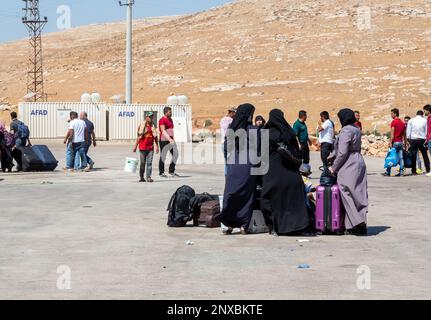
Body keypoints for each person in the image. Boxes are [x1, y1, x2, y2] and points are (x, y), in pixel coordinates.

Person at [261, 109, 311, 236]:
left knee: (267, 196)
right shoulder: (289, 132)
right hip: (291, 174)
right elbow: (297, 153)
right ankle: (297, 226)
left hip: (272, 173)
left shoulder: (265, 133)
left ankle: (273, 227)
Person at [215, 103, 257, 235]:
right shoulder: (254, 130)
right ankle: (244, 225)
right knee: (247, 196)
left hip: (233, 166)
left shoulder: (231, 130)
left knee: (230, 193)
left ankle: (228, 224)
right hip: (249, 166)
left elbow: (227, 148)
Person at [329, 109, 368, 235]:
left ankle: (357, 222)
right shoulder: (356, 128)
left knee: (345, 191)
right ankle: (356, 223)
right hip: (359, 161)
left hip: (349, 163)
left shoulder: (346, 130)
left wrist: (333, 167)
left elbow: (343, 152)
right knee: (358, 193)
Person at [133, 113, 159, 182]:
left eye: (152, 117)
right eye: (150, 117)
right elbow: (139, 137)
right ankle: (141, 177)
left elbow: (155, 137)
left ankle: (148, 177)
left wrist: (157, 146)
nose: (151, 118)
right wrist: (135, 146)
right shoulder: (142, 126)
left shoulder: (153, 126)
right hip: (142, 148)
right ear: (146, 117)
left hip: (150, 148)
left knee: (149, 163)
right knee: (142, 164)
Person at [406, 110, 430, 176]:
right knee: (425, 155)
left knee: (413, 155)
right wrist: (426, 139)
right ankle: (428, 169)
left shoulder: (411, 120)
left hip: (413, 140)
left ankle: (413, 170)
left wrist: (408, 140)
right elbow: (426, 130)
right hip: (422, 140)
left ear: (416, 114)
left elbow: (408, 131)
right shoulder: (425, 120)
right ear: (422, 115)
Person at [384, 108, 406, 177]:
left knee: (390, 156)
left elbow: (392, 134)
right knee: (401, 157)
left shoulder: (394, 122)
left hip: (395, 142)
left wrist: (390, 142)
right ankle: (402, 172)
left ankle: (388, 172)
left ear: (395, 114)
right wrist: (405, 143)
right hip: (400, 143)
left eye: (392, 113)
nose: (391, 115)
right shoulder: (402, 123)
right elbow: (405, 135)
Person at [159, 107, 179, 178]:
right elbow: (163, 131)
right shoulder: (162, 120)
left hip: (171, 140)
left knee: (175, 154)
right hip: (164, 140)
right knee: (163, 156)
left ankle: (171, 171)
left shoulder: (170, 119)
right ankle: (161, 172)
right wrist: (169, 139)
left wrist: (173, 139)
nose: (171, 113)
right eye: (170, 112)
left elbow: (171, 130)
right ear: (166, 112)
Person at [424, 105, 431, 174]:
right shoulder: (428, 118)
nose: (424, 112)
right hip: (428, 139)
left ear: (428, 110)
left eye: (425, 110)